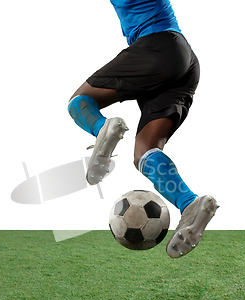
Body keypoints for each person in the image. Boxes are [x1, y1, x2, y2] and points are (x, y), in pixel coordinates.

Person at [67, 0, 219, 258]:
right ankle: (190, 203)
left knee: (80, 102)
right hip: (184, 58)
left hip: (155, 47)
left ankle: (103, 127)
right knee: (145, 151)